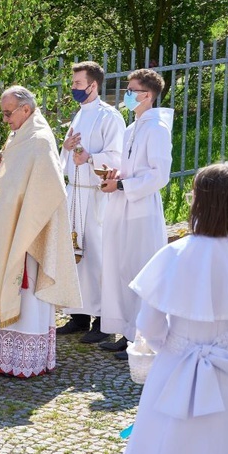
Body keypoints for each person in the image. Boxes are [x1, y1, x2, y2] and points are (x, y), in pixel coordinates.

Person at [121, 163, 228, 454]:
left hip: (176, 365)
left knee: (168, 444)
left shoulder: (173, 254)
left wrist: (176, 348)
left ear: (198, 202)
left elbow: (149, 323)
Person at [0, 85, 81, 377]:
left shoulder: (39, 140)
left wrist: (24, 214)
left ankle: (26, 360)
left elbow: (49, 188)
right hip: (6, 226)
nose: (5, 119)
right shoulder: (18, 136)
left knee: (26, 296)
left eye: (8, 113)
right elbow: (11, 175)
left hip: (27, 233)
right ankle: (1, 357)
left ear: (26, 109)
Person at [99, 69, 173, 359]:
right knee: (121, 269)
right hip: (122, 205)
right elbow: (134, 168)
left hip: (141, 209)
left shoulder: (156, 128)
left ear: (148, 95)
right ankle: (127, 333)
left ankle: (143, 338)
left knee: (140, 271)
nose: (126, 95)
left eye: (132, 90)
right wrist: (117, 175)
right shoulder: (133, 128)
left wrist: (122, 184)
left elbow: (159, 175)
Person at [57, 61, 125, 344]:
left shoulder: (110, 117)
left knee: (98, 258)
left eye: (77, 84)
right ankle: (79, 315)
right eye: (73, 83)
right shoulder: (79, 115)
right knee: (76, 256)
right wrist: (67, 147)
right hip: (76, 193)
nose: (73, 88)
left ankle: (104, 322)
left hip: (97, 196)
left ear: (93, 85)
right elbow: (66, 157)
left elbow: (117, 155)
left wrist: (90, 157)